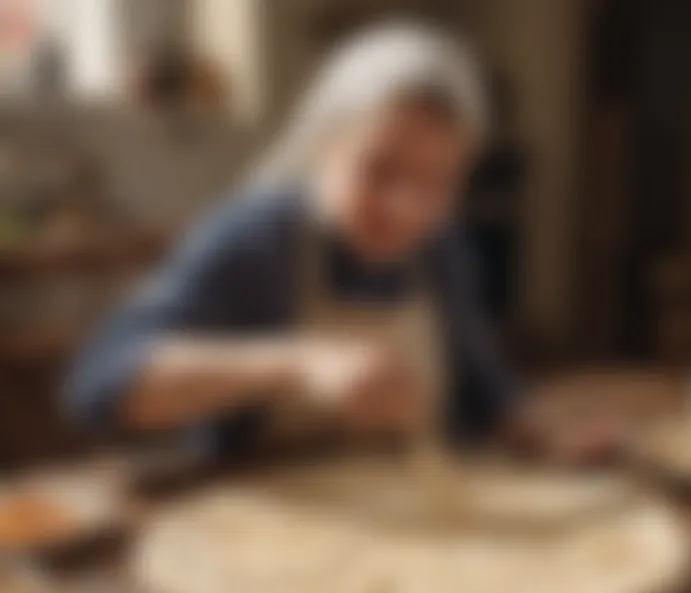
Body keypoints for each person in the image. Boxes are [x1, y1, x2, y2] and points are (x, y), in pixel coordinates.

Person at [66, 23, 616, 463]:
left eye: (437, 183)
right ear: (324, 146)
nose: (407, 210)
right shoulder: (255, 239)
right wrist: (300, 362)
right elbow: (98, 386)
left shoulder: (442, 250)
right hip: (259, 537)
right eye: (378, 172)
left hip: (415, 527)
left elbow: (484, 387)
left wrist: (543, 434)